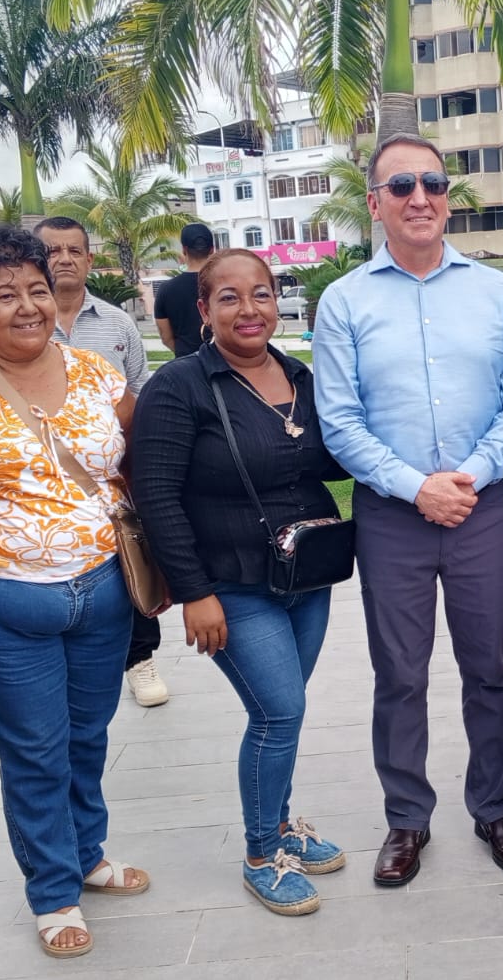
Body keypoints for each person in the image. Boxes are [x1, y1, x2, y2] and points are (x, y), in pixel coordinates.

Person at [0, 226, 150, 959]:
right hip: (2, 602)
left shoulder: (97, 374)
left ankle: (88, 853)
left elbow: (134, 466)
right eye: (5, 294)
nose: (28, 306)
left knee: (87, 736)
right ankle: (53, 891)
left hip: (102, 592)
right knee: (35, 752)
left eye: (38, 290)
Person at [314, 133, 503, 887]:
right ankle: (407, 818)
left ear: (448, 198)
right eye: (402, 185)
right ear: (374, 204)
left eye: (433, 184)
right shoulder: (344, 301)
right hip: (390, 516)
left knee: (489, 669)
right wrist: (417, 488)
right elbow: (340, 421)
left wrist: (466, 478)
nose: (420, 198)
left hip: (479, 509)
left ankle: (495, 808)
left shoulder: (495, 292)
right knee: (400, 675)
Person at [132, 248, 348, 914]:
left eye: (261, 294)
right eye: (229, 297)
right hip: (232, 584)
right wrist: (195, 594)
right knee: (279, 711)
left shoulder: (300, 375)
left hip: (306, 573)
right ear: (203, 309)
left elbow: (333, 459)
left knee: (282, 710)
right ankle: (262, 854)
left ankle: (280, 823)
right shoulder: (180, 387)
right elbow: (156, 496)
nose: (249, 309)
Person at [33, 216, 166, 709]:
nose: (64, 259)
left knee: (130, 561)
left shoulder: (116, 323)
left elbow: (140, 391)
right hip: (43, 481)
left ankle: (140, 658)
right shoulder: (23, 321)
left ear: (90, 260)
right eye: (52, 251)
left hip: (109, 477)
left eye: (74, 250)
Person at [154, 223, 214, 358]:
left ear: (184, 249)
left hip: (186, 362)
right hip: (225, 362)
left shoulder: (166, 289)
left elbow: (166, 337)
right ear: (212, 249)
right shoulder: (225, 284)